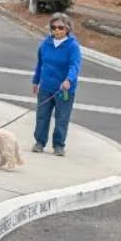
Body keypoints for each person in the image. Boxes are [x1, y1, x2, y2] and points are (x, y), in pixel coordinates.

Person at [31, 12, 82, 157]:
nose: (57, 31)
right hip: (46, 87)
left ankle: (59, 145)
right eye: (53, 27)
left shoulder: (72, 46)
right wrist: (36, 81)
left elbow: (75, 66)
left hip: (64, 90)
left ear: (67, 29)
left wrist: (68, 80)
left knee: (62, 118)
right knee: (42, 116)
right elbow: (40, 64)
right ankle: (39, 142)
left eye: (60, 27)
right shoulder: (45, 44)